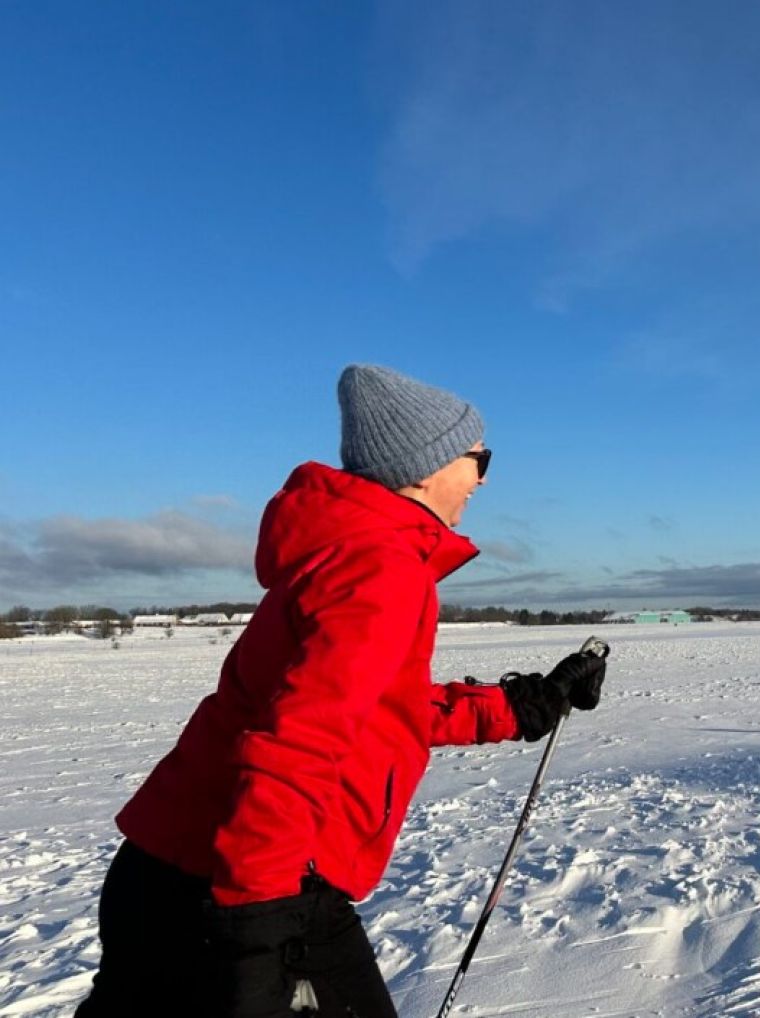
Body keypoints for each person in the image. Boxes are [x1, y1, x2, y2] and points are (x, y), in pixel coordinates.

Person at [77, 364, 606, 1018]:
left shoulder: (347, 548)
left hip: (169, 869)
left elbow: (374, 704)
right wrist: (258, 930)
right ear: (425, 466)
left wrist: (521, 706)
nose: (484, 477)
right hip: (248, 884)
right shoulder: (380, 566)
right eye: (478, 458)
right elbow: (296, 743)